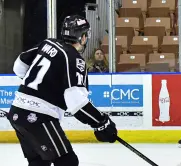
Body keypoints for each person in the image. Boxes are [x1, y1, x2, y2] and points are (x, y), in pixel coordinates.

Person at [8, 15, 118, 166]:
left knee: (39, 162)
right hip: (39, 117)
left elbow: (19, 65)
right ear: (83, 37)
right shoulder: (75, 60)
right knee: (67, 161)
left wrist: (42, 85)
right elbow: (77, 104)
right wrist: (102, 122)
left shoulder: (48, 43)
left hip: (16, 112)